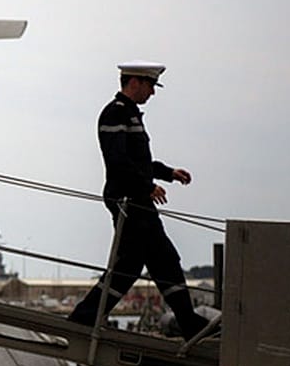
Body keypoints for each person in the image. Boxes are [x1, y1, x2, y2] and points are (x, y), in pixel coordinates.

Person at [69, 63, 214, 340]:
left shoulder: (130, 115)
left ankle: (84, 318)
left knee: (132, 266)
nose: (152, 93)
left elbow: (141, 162)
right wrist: (146, 186)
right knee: (162, 259)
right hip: (129, 200)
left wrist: (168, 173)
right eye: (150, 86)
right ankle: (189, 323)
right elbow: (118, 161)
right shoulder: (116, 114)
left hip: (135, 198)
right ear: (134, 82)